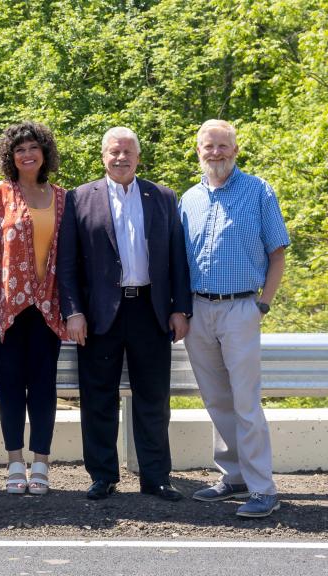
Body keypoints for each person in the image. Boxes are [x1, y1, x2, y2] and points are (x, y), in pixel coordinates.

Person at [56, 127, 192, 502]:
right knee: (98, 397)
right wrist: (74, 312)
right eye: (114, 152)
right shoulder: (80, 198)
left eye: (127, 152)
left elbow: (178, 259)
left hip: (151, 310)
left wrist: (181, 308)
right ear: (103, 156)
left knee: (153, 398)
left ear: (138, 157)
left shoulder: (162, 197)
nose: (121, 158)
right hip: (100, 314)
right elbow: (66, 266)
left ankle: (156, 476)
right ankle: (102, 476)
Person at [179, 119, 290, 518]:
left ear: (236, 150)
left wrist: (263, 304)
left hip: (242, 307)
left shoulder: (258, 191)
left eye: (223, 146)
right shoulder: (188, 198)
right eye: (209, 146)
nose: (216, 153)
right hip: (199, 309)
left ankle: (263, 488)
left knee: (245, 401)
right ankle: (233, 476)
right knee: (216, 399)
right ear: (198, 151)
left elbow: (277, 252)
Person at [0, 121, 67, 495]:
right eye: (20, 149)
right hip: (6, 308)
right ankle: (14, 461)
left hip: (48, 308)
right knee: (9, 387)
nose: (27, 155)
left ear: (45, 154)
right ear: (11, 156)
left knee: (43, 387)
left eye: (33, 148)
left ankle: (41, 463)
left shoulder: (61, 197)